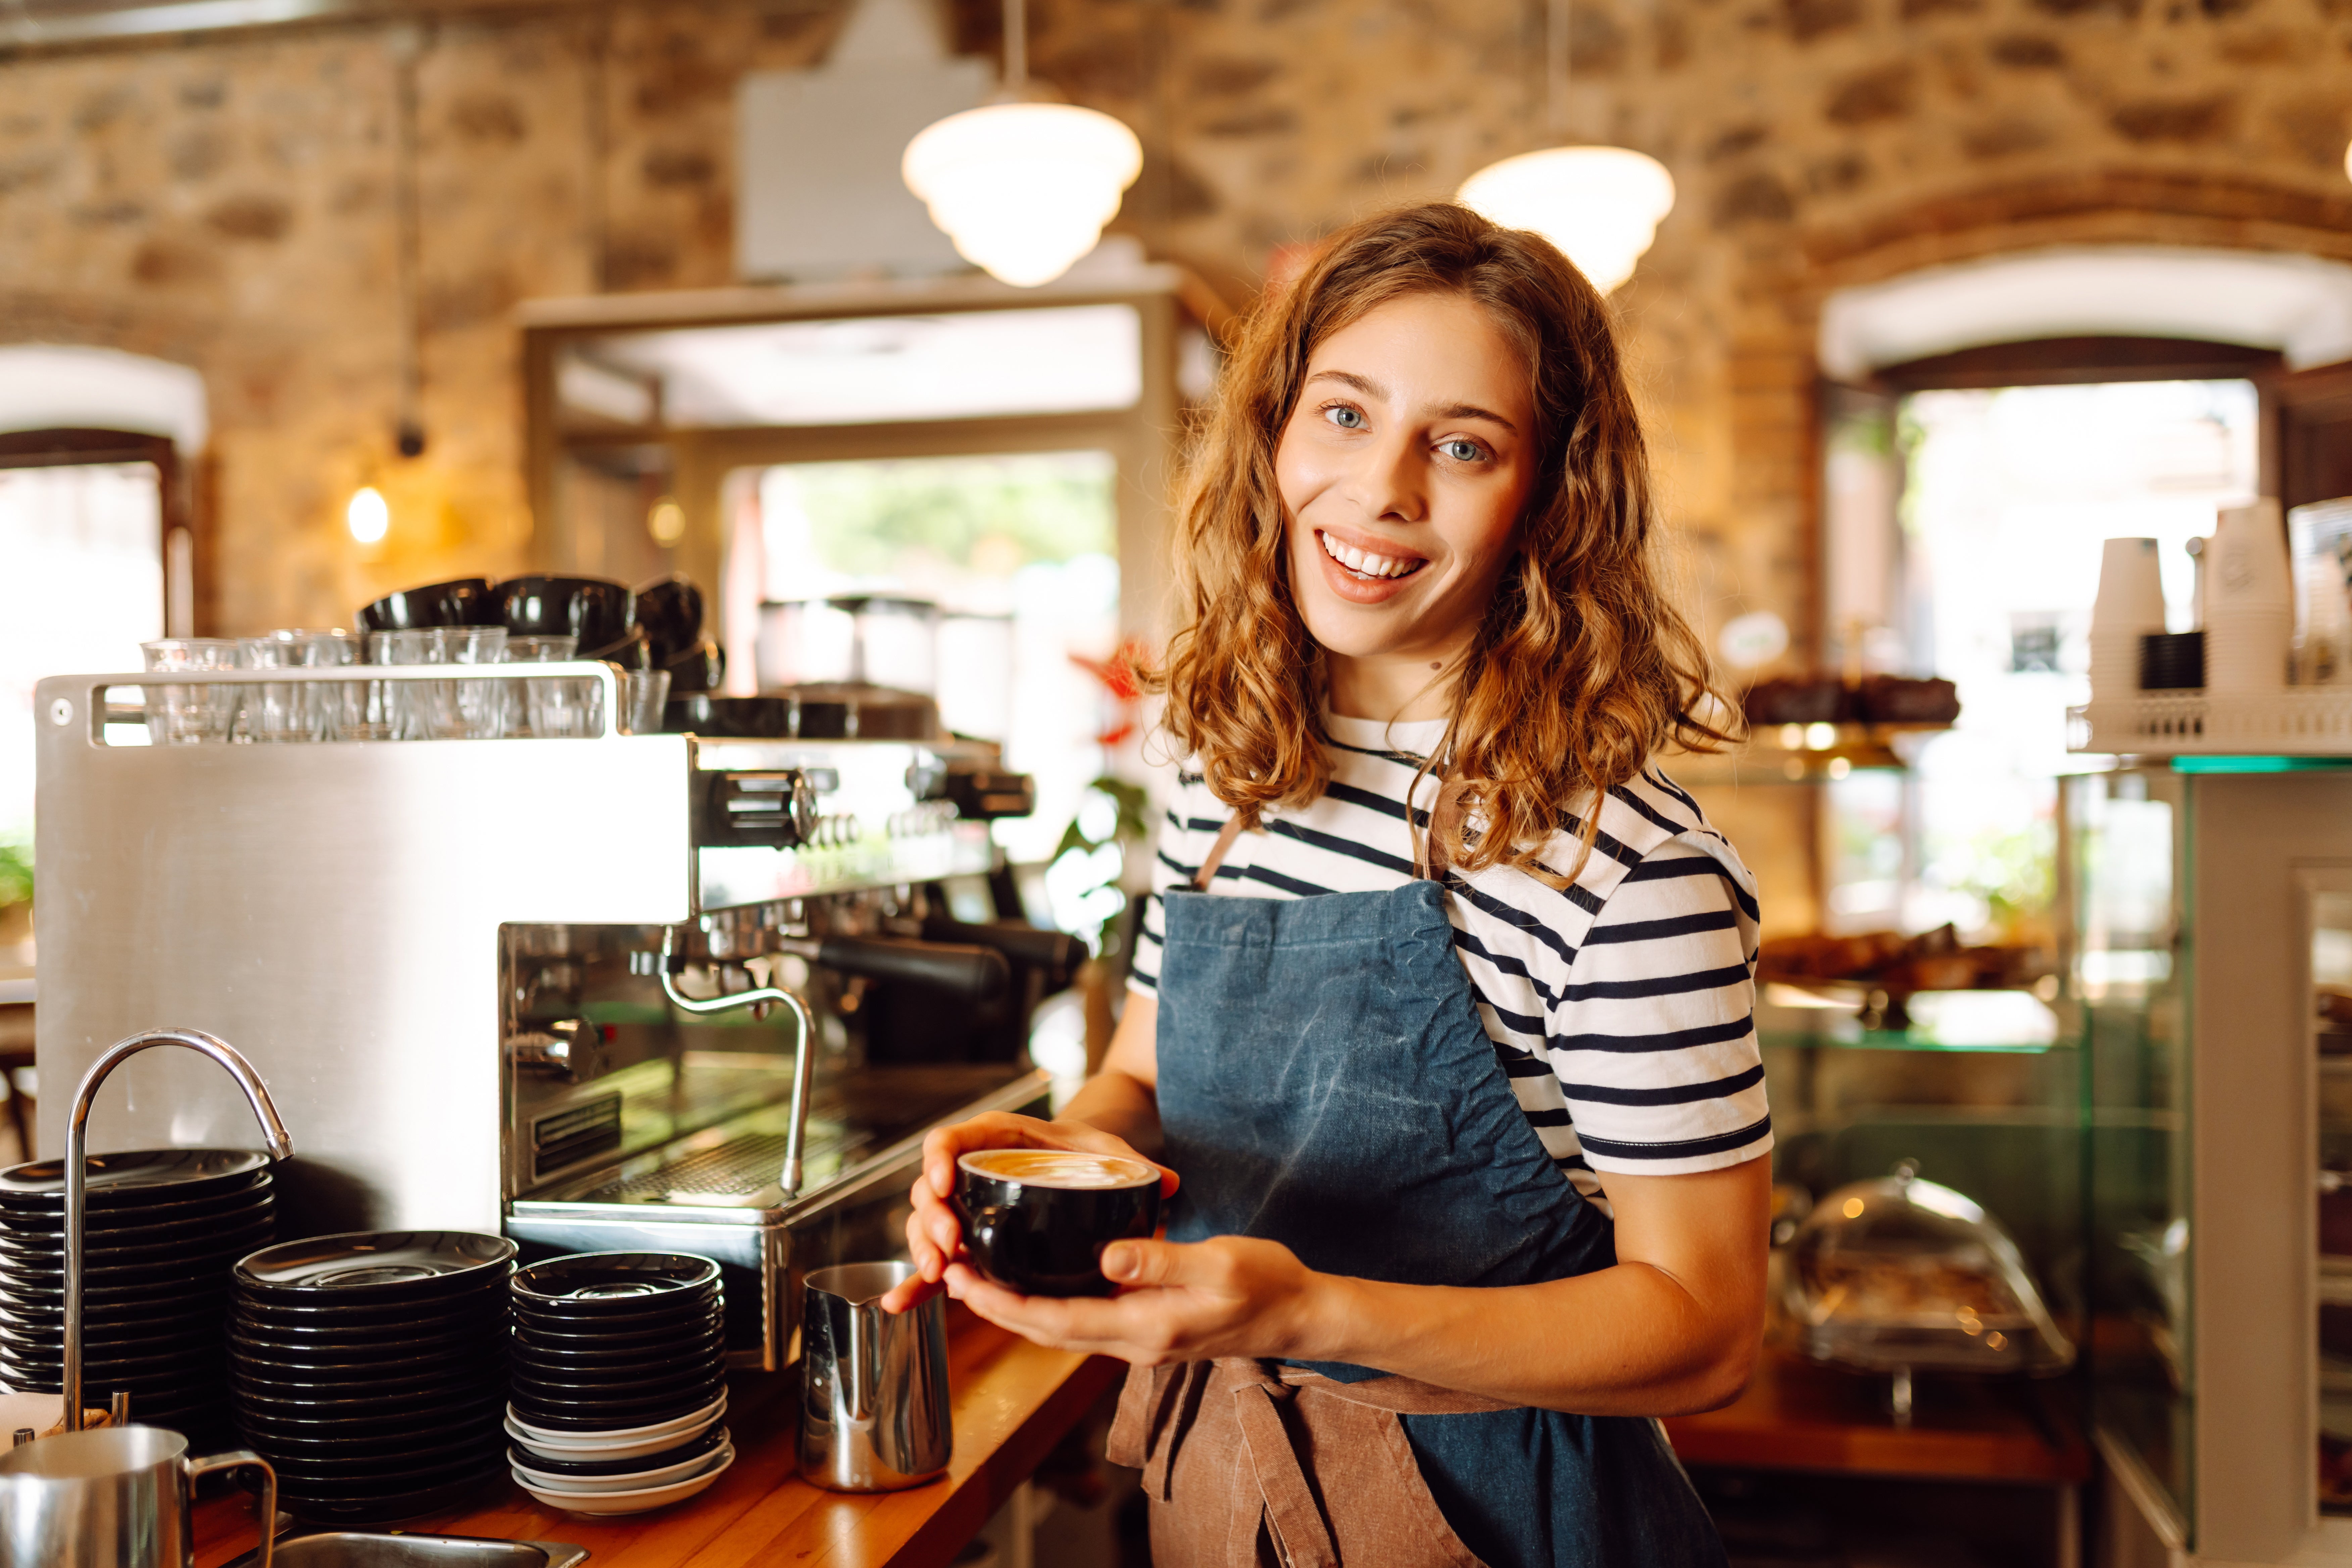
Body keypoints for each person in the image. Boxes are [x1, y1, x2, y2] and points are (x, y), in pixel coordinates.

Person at [883, 202, 1770, 1568]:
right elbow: (1143, 1082)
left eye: (1461, 445)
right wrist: (1039, 1161)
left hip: (1511, 1522)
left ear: (1547, 497)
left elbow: (1706, 1325)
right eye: (1345, 415)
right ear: (1275, 432)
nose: (1382, 491)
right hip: (1229, 1490)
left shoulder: (1625, 867)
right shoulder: (1231, 767)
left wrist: (1303, 1312)